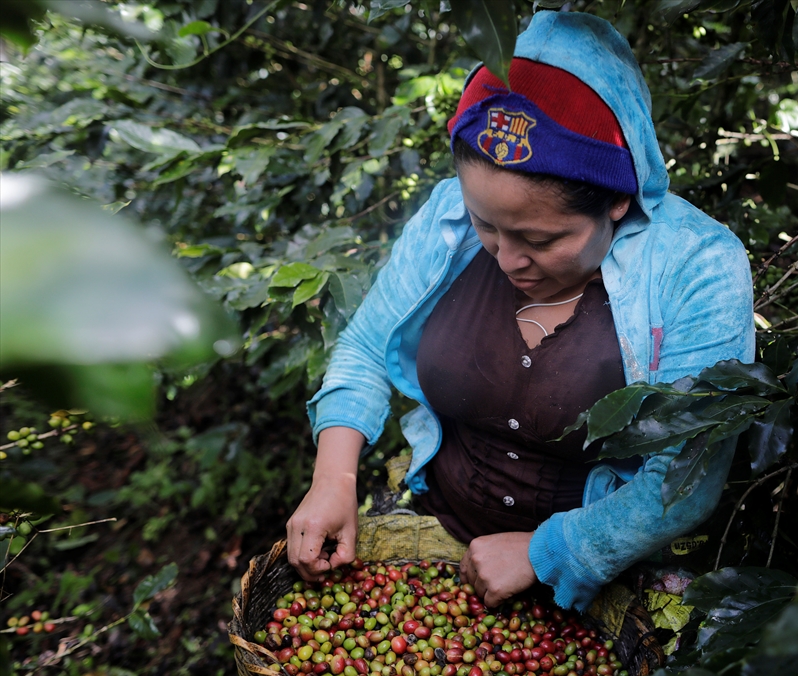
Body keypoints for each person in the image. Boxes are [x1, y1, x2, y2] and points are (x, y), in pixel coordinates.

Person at [286, 11, 754, 611]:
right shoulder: (447, 217)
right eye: (486, 224)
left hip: (605, 580)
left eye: (539, 240)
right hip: (441, 524)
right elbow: (366, 349)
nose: (507, 259)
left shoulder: (698, 268)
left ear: (615, 201)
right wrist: (333, 480)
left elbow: (683, 481)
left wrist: (544, 551)